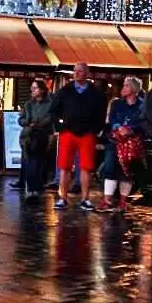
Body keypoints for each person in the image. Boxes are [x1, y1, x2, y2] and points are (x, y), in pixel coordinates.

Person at [49, 62, 106, 211]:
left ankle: (85, 199)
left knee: (86, 167)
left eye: (80, 71)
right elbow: (54, 111)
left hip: (87, 133)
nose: (77, 73)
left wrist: (95, 129)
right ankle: (63, 198)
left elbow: (101, 113)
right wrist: (60, 127)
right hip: (67, 132)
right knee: (64, 166)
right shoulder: (65, 91)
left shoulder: (95, 93)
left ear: (87, 73)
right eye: (75, 71)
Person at [97, 76, 145, 213]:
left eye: (126, 85)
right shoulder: (117, 104)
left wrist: (131, 130)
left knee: (127, 172)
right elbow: (112, 119)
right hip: (115, 141)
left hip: (132, 143)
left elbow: (144, 124)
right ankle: (107, 200)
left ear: (134, 89)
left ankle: (123, 202)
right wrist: (118, 128)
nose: (123, 88)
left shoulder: (142, 105)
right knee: (110, 168)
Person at [19, 79, 53, 201]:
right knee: (28, 162)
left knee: (37, 163)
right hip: (27, 136)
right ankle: (31, 189)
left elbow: (50, 120)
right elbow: (21, 120)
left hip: (42, 136)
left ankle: (35, 189)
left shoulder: (49, 104)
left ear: (42, 90)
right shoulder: (28, 104)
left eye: (35, 88)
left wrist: (38, 125)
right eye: (32, 88)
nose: (32, 90)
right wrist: (27, 123)